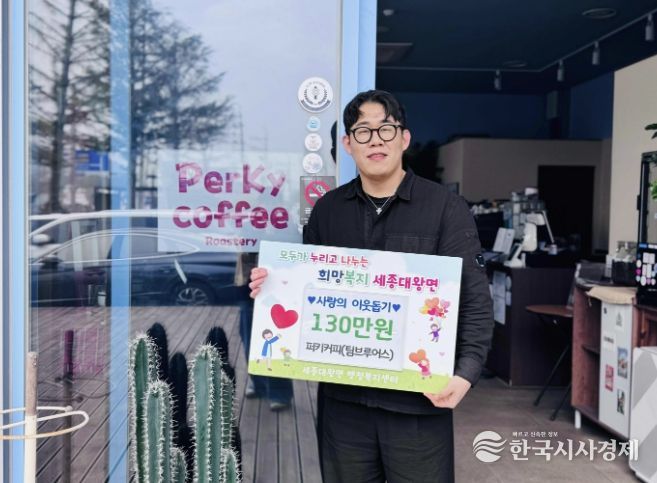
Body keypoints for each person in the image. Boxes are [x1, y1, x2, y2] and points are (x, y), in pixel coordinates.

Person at [250, 90, 494, 482]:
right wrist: (273, 286)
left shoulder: (445, 208)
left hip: (418, 403)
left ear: (404, 138)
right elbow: (306, 292)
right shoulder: (328, 211)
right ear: (348, 144)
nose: (376, 140)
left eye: (386, 129)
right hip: (344, 406)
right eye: (363, 131)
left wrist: (465, 373)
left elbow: (475, 301)